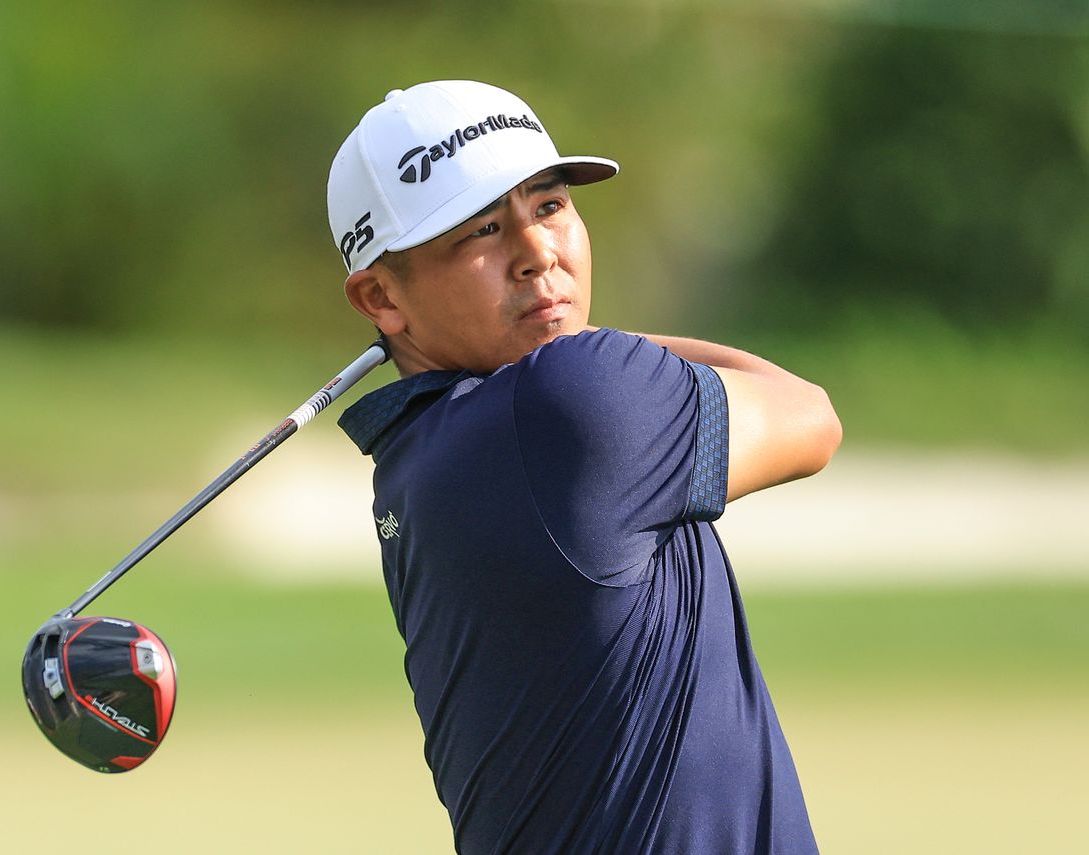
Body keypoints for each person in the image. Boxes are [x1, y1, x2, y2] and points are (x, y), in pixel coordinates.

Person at [328, 80, 842, 854]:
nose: (538, 254)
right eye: (481, 231)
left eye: (549, 206)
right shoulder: (576, 401)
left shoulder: (411, 462)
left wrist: (573, 340)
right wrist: (583, 340)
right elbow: (810, 416)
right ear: (380, 296)